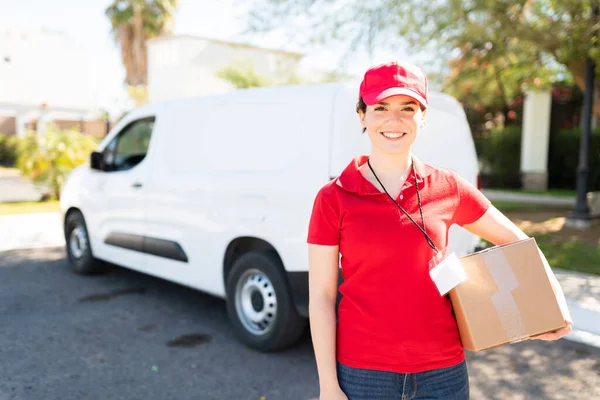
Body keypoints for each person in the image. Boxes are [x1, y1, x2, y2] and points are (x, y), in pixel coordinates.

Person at [306, 61, 573, 400]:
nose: (394, 120)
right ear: (362, 115)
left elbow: (517, 242)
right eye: (380, 108)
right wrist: (328, 386)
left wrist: (552, 306)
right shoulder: (334, 197)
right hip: (362, 374)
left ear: (423, 117)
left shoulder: (447, 186)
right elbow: (322, 297)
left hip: (442, 373)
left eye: (408, 108)